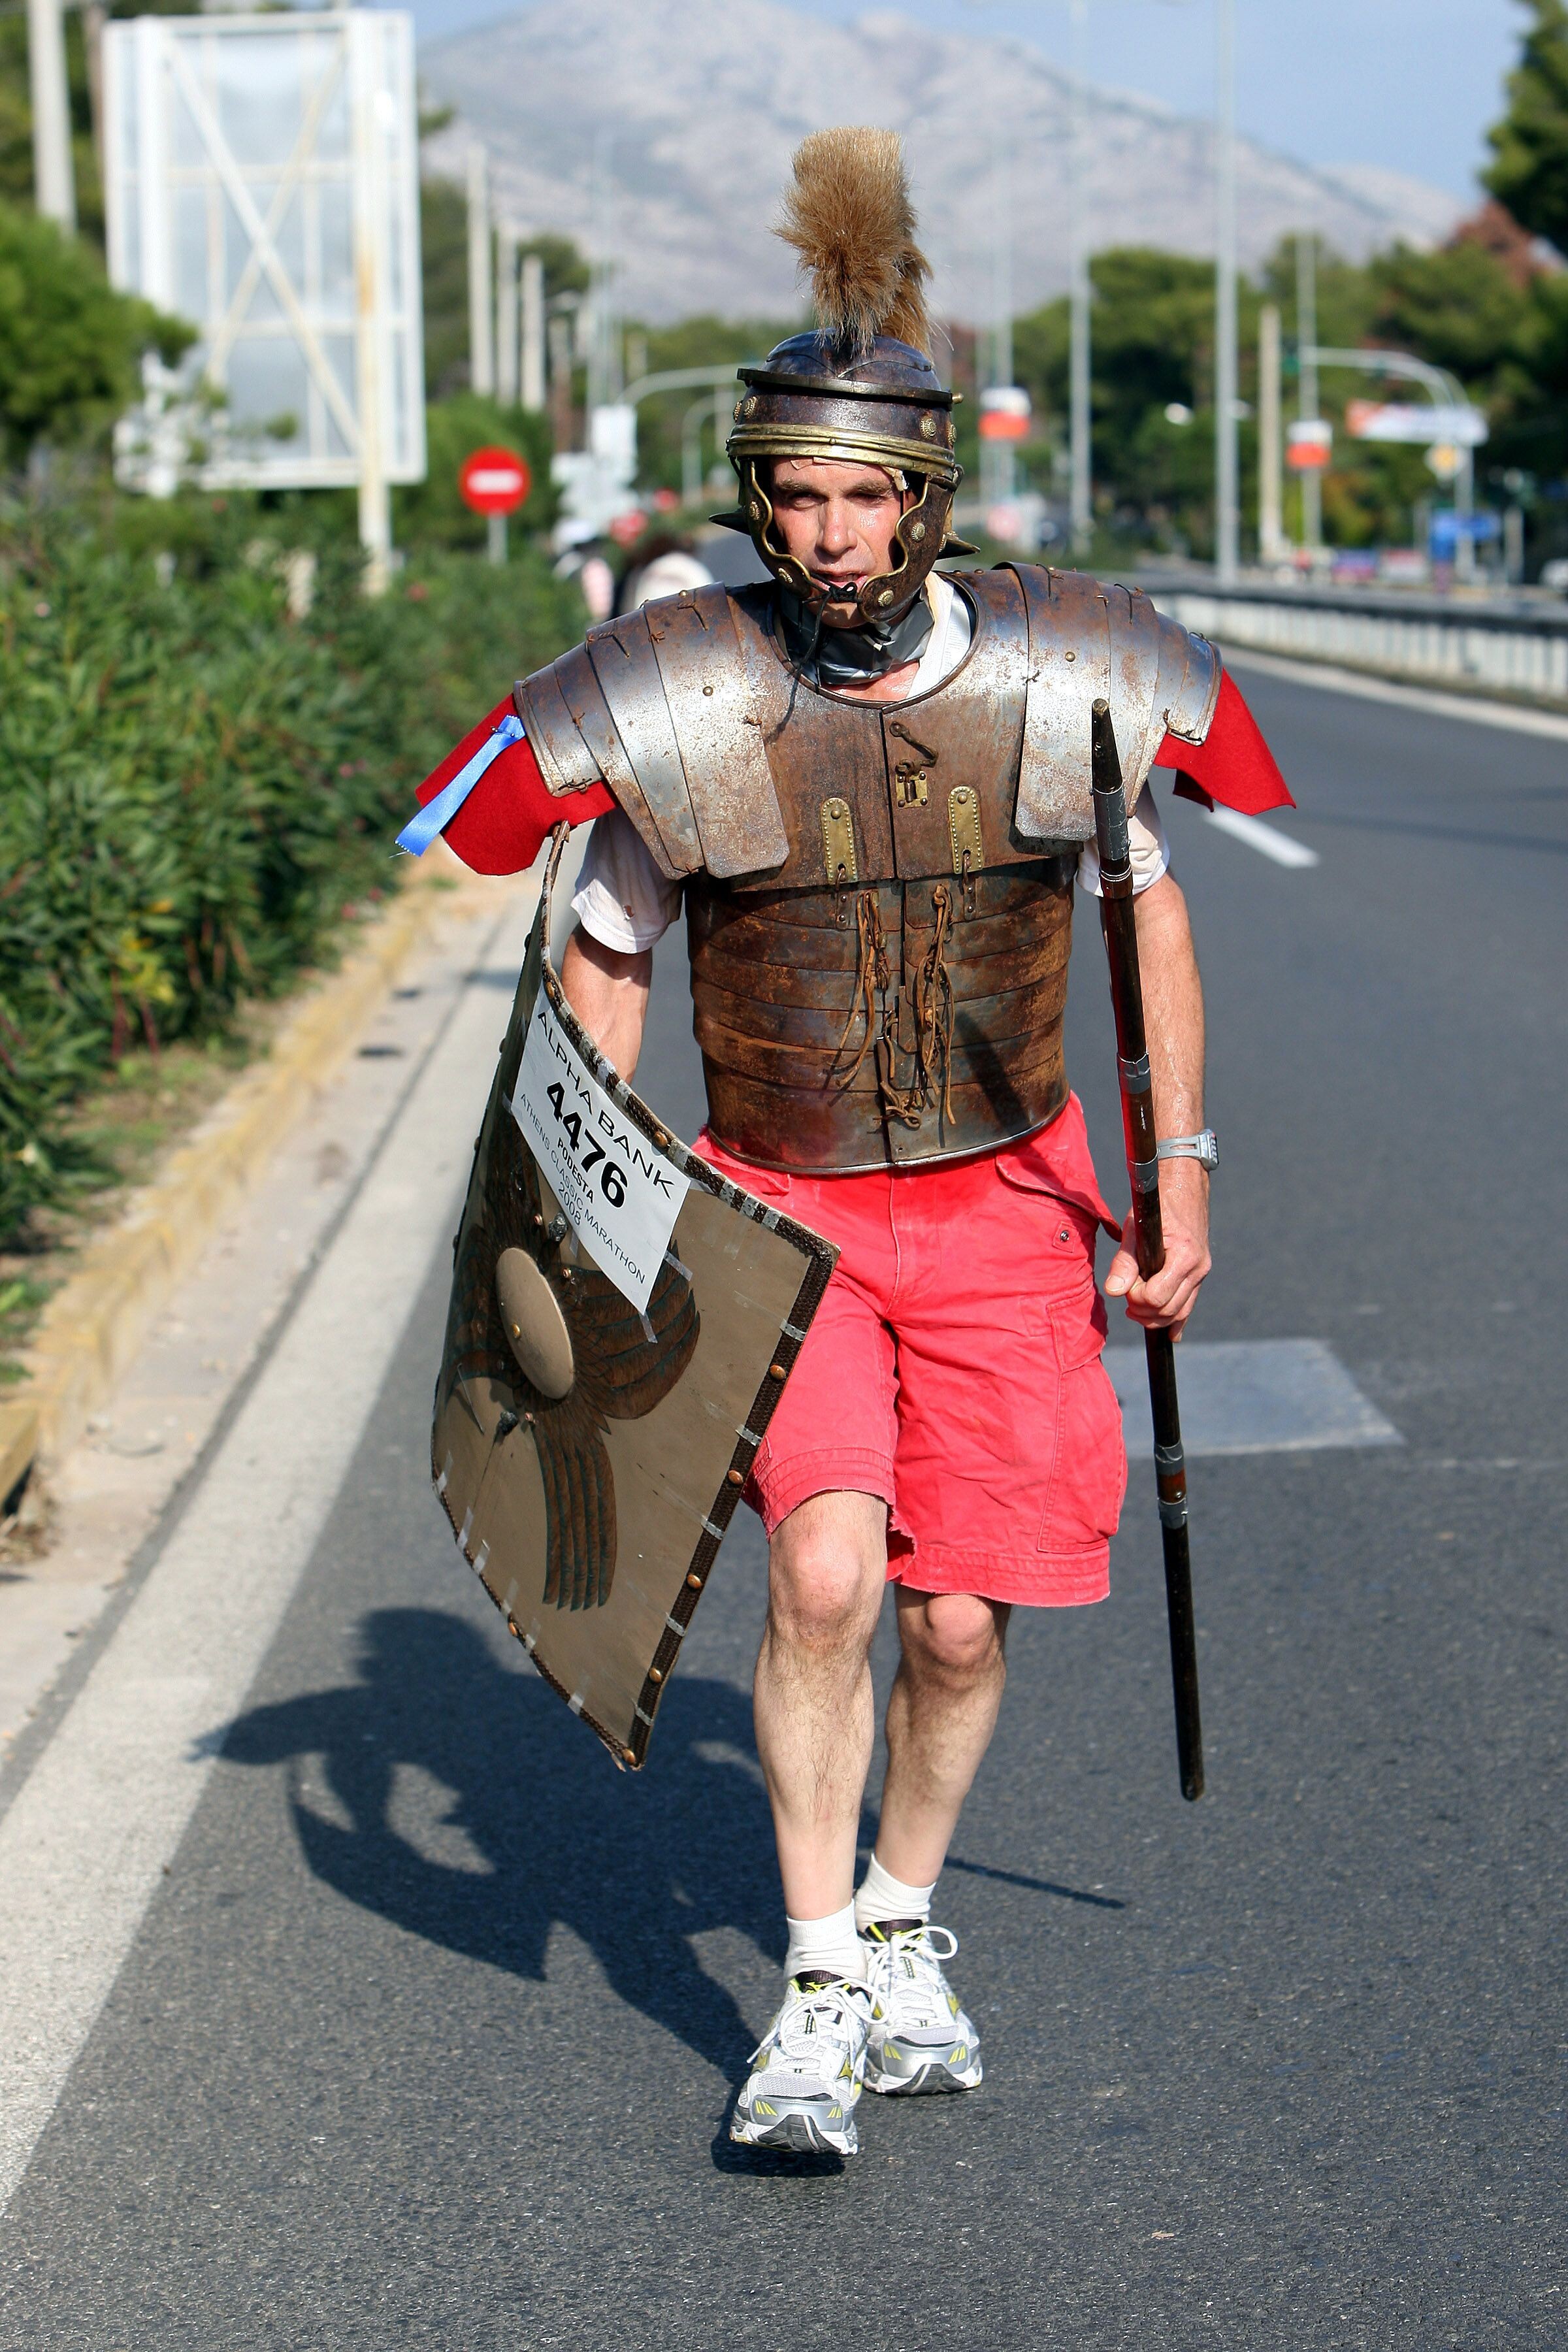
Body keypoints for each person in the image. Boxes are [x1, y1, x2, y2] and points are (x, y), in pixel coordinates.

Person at [406, 129, 1291, 2158]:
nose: (827, 532)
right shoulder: (684, 691)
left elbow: (1150, 908)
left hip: (1007, 1200)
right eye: (797, 495)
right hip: (778, 1212)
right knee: (822, 1577)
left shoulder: (1074, 672)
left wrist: (1181, 1178)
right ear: (761, 499)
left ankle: (899, 1919)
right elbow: (599, 946)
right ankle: (810, 1985)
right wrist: (599, 1202)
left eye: (862, 494)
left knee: (959, 1618)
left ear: (924, 498)